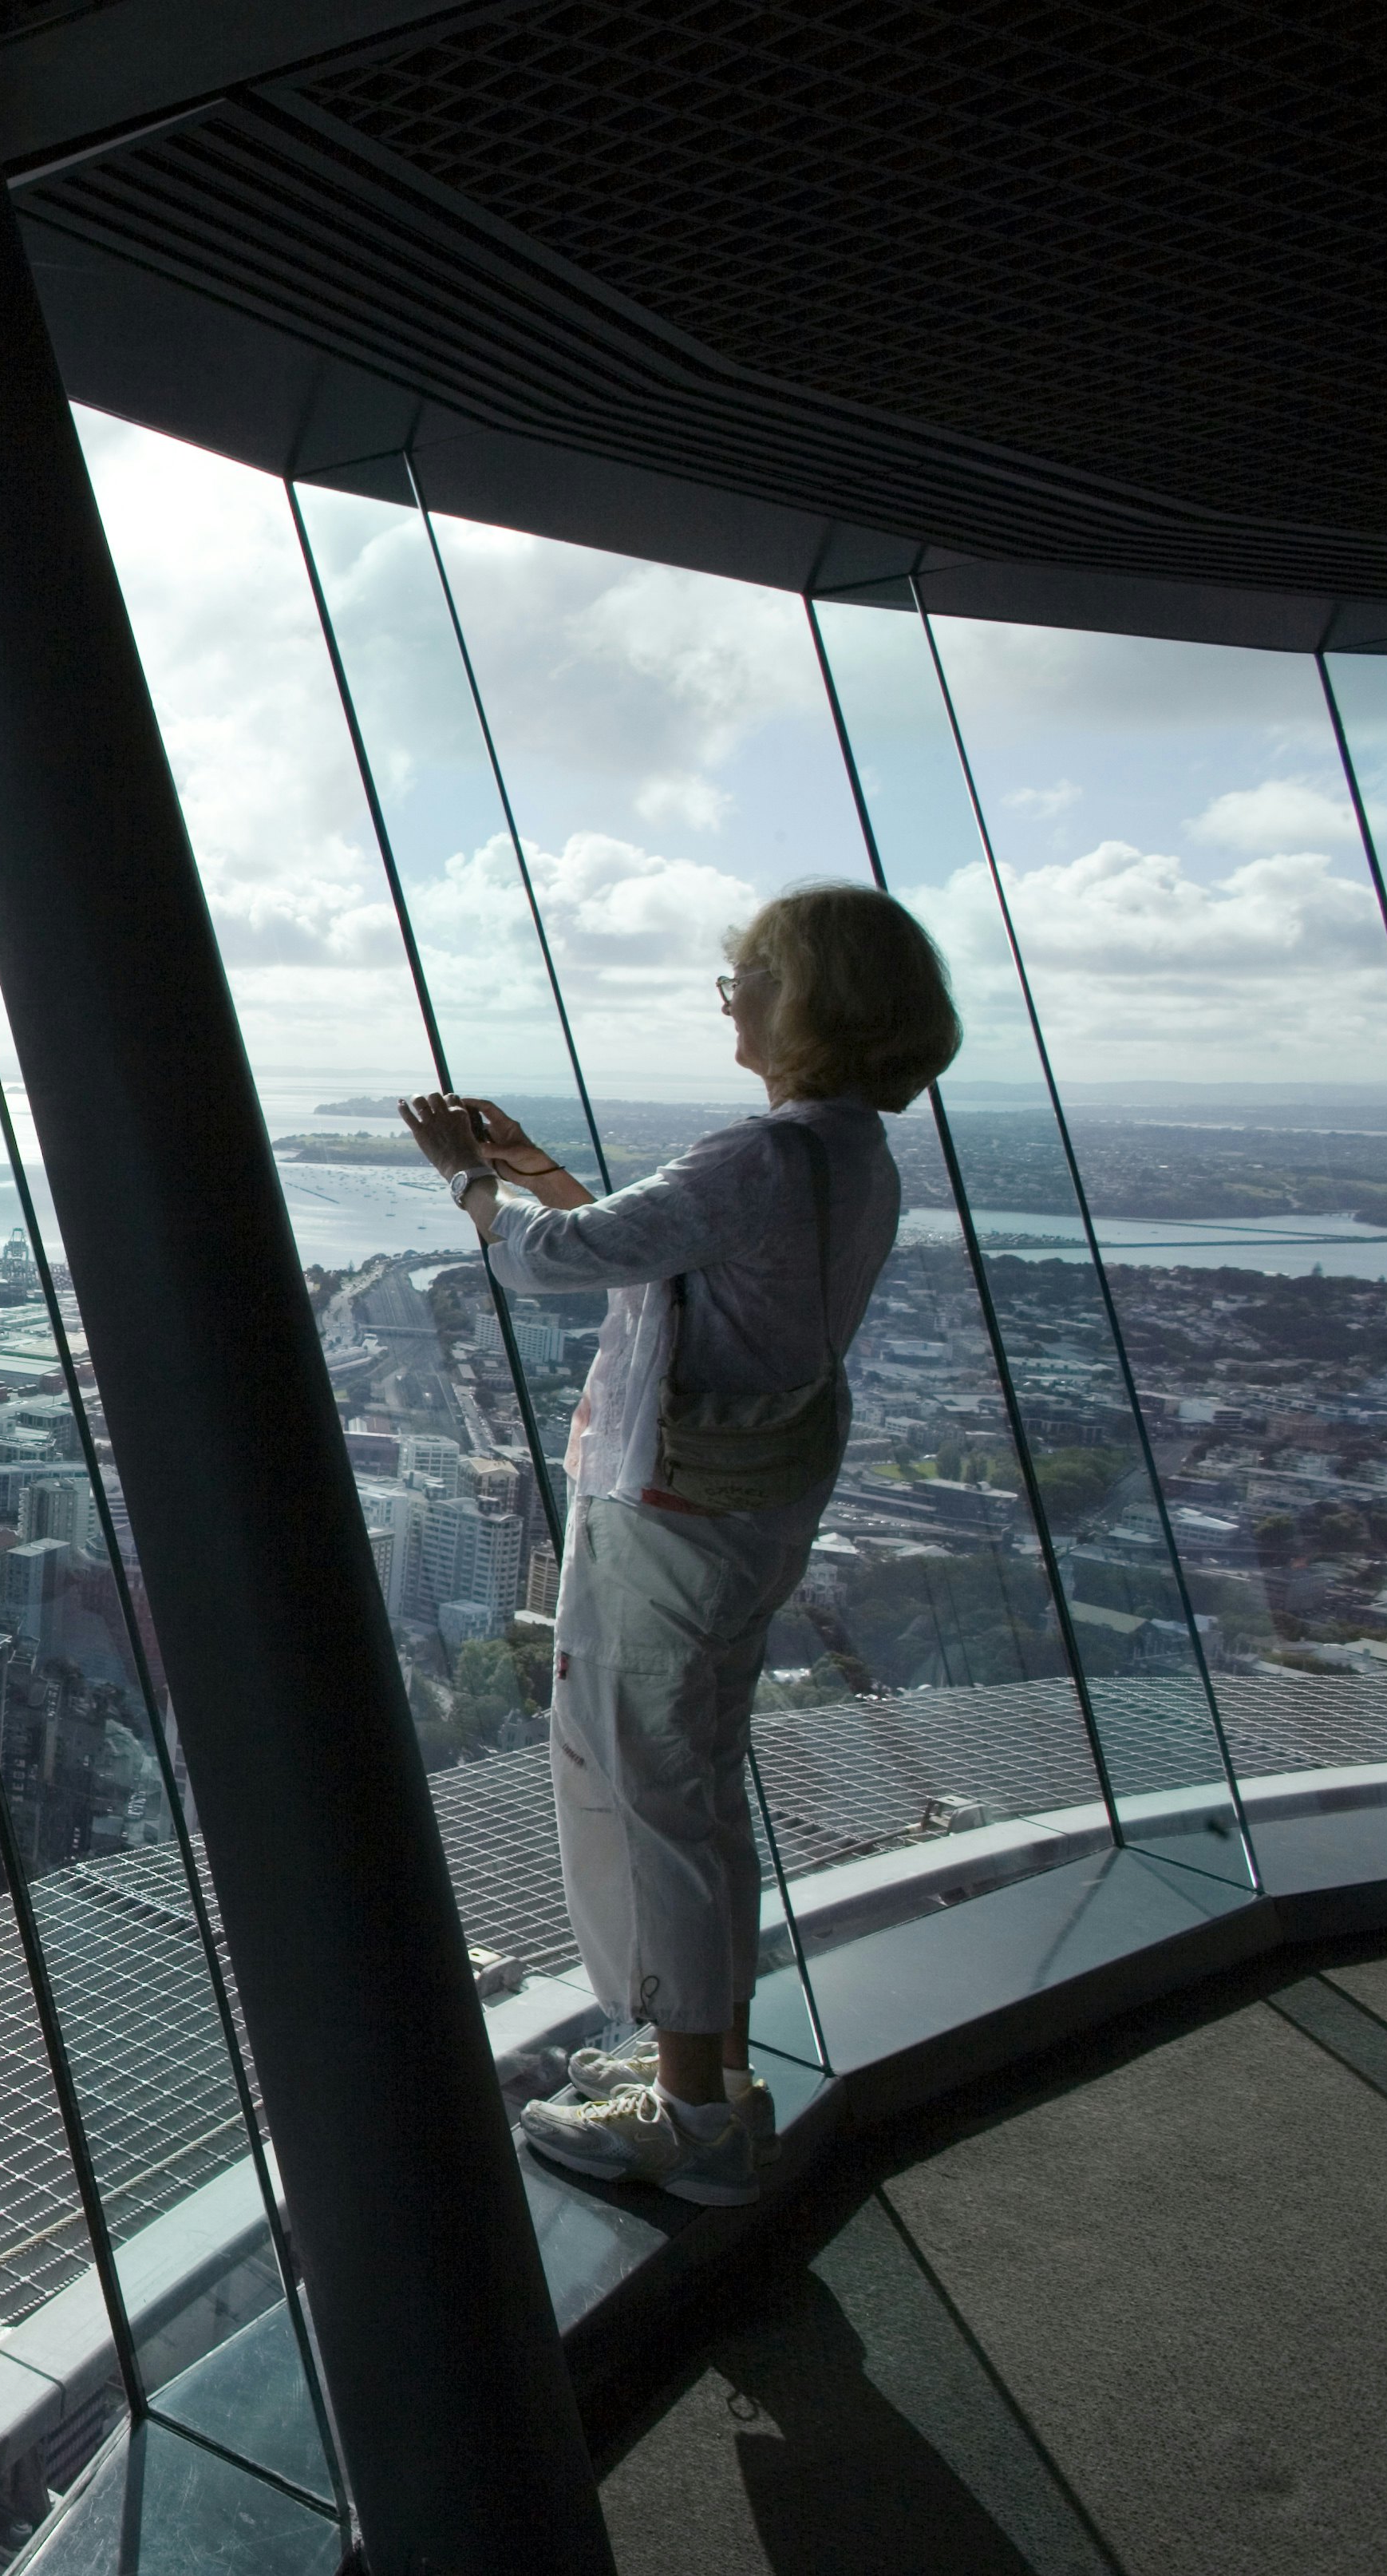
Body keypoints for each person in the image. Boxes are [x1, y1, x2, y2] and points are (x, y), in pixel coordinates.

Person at [401, 883, 958, 2207]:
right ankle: (698, 2063)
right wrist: (529, 1165)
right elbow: (654, 1253)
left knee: (659, 1795)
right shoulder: (842, 1157)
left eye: (748, 977)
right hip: (745, 1509)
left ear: (810, 1001)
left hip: (674, 1518)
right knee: (693, 1783)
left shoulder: (765, 1156)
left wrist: (471, 1184)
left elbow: (556, 1264)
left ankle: (694, 2115)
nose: (731, 1000)